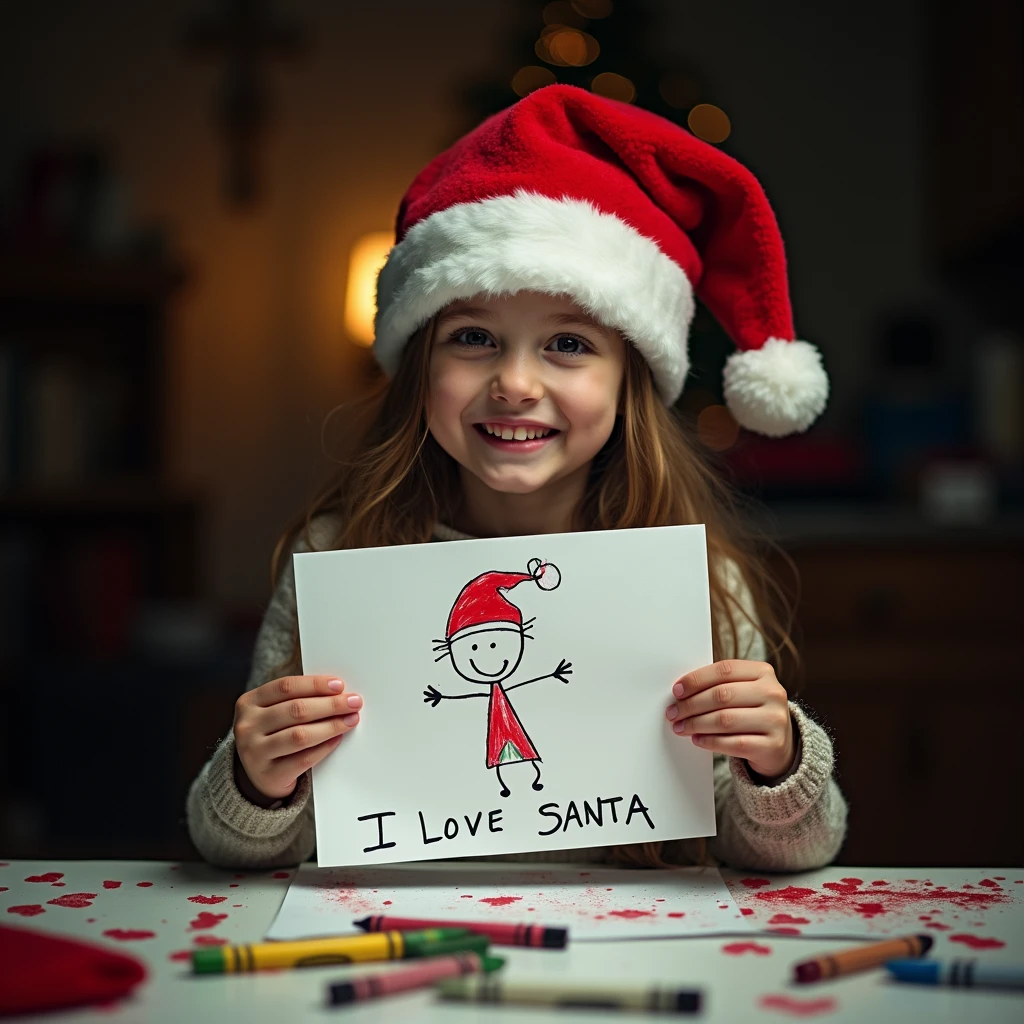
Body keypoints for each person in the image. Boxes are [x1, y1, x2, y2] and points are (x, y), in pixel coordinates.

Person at [187, 84, 846, 871]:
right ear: (417, 367)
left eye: (568, 345)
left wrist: (774, 763)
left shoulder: (699, 582)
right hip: (388, 959)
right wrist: (258, 782)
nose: (517, 384)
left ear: (629, 382)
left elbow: (800, 848)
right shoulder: (335, 560)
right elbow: (231, 846)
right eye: (474, 337)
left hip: (632, 967)